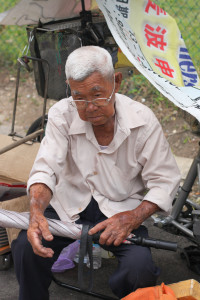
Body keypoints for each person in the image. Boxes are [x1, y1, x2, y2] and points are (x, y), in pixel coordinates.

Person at [11, 46, 181, 300]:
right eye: (79, 97)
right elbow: (46, 168)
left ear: (116, 82)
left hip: (119, 211)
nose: (89, 107)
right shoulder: (61, 114)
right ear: (69, 88)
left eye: (97, 95)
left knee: (139, 270)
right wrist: (35, 211)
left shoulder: (142, 120)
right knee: (25, 247)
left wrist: (133, 217)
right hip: (68, 204)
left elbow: (165, 180)